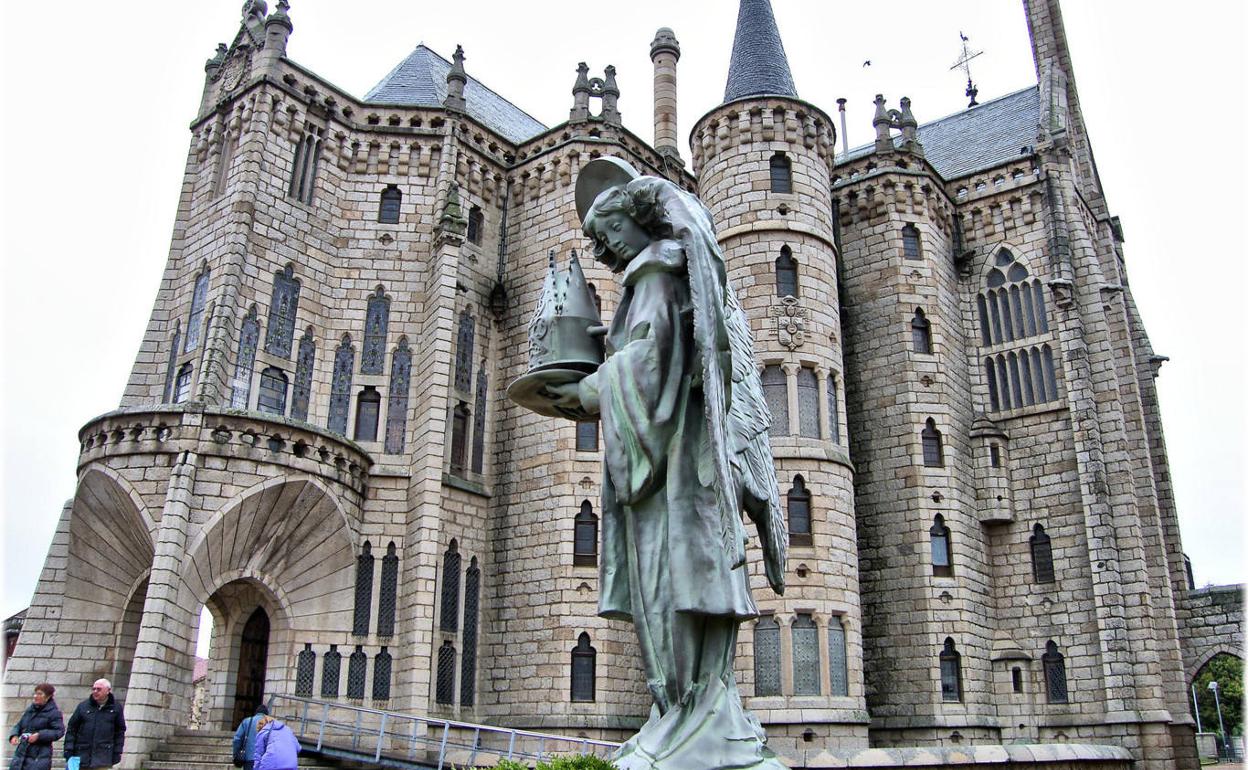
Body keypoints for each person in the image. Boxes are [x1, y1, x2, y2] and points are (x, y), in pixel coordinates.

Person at [543, 158, 788, 770]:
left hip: (678, 476)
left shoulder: (655, 274)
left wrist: (590, 391)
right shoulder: (666, 279)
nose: (604, 250)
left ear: (635, 220)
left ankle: (693, 715)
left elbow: (650, 367)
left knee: (671, 587)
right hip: (682, 472)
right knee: (678, 588)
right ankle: (691, 712)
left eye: (609, 236)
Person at [64, 679, 125, 769]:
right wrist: (68, 748)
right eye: (94, 689)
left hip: (104, 756)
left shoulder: (116, 708)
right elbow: (72, 729)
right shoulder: (83, 706)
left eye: (99, 689)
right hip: (81, 755)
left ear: (108, 691)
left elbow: (120, 732)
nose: (95, 691)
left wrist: (117, 751)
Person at [8, 683, 64, 770]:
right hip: (21, 755)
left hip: (39, 757)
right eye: (35, 693)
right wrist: (14, 735)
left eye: (39, 694)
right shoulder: (30, 710)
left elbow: (59, 731)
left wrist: (39, 735)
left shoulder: (54, 713)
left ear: (48, 697)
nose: (35, 696)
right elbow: (19, 725)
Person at [232, 704, 269, 770]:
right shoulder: (270, 723)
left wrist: (236, 753)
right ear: (266, 714)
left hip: (249, 758)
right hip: (265, 759)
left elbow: (237, 739)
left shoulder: (247, 721)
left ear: (256, 712)